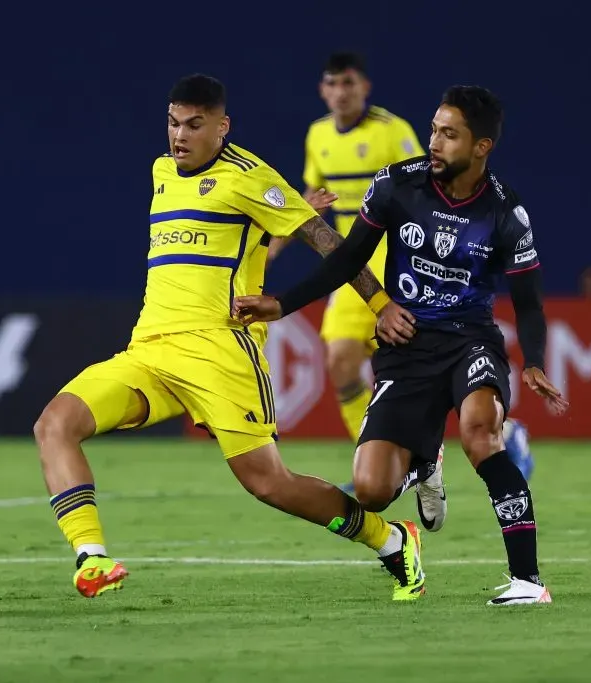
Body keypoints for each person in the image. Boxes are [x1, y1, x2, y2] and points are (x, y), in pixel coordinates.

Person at [33, 74, 426, 602]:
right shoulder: (160, 173)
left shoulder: (248, 176)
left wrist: (378, 304)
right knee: (55, 424)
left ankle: (390, 539)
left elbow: (329, 240)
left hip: (222, 353)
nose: (180, 136)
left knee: (271, 485)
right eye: (173, 123)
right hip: (149, 349)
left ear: (222, 127)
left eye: (195, 125)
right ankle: (92, 558)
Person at [234, 85, 569, 605]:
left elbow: (528, 301)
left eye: (449, 134)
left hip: (469, 342)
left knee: (482, 436)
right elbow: (347, 259)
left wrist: (536, 362)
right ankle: (425, 463)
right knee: (370, 490)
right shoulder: (396, 185)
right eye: (434, 129)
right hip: (405, 346)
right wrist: (283, 304)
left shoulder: (506, 213)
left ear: (481, 147)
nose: (434, 142)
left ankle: (527, 582)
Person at [268, 51, 424, 446]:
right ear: (322, 90)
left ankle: (506, 437)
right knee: (340, 360)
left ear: (365, 88)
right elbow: (311, 196)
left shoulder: (392, 131)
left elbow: (426, 191)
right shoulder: (317, 135)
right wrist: (278, 242)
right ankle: (372, 452)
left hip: (399, 258)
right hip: (352, 261)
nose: (341, 92)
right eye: (333, 83)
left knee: (427, 369)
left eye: (349, 83)